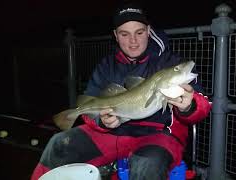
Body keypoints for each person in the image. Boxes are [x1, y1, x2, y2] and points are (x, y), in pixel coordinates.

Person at [31, 2, 211, 180]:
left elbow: (202, 104)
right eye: (125, 34)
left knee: (147, 165)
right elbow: (90, 106)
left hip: (159, 136)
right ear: (116, 35)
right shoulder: (106, 66)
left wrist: (189, 106)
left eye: (139, 33)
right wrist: (102, 122)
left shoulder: (170, 63)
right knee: (60, 144)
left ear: (148, 31)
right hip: (113, 134)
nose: (133, 41)